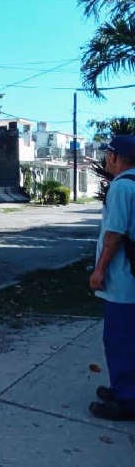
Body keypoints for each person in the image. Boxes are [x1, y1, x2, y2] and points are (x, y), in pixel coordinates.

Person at [88, 135, 135, 420]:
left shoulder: (121, 187)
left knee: (119, 338)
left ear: (117, 158)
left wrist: (99, 270)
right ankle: (122, 388)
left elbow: (114, 235)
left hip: (123, 279)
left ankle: (127, 399)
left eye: (108, 155)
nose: (106, 159)